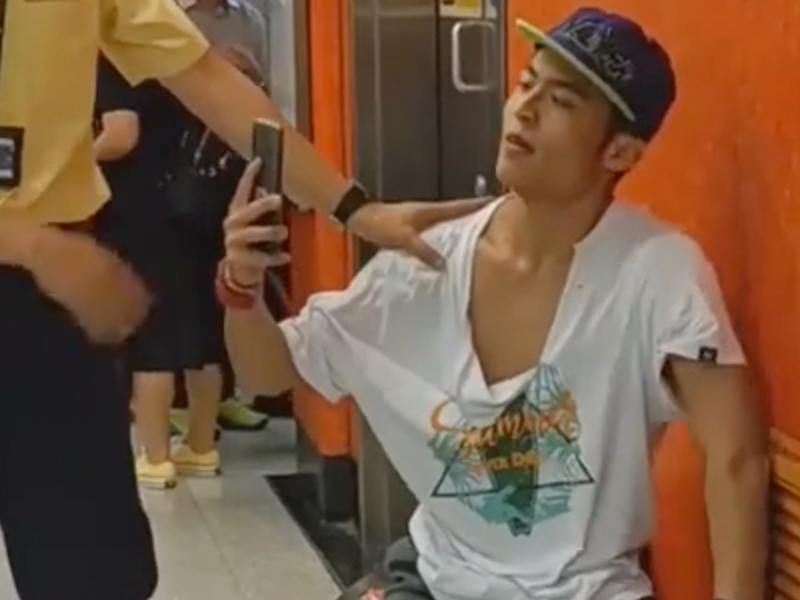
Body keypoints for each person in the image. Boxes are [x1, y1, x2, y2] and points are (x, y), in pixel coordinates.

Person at [222, 8, 768, 600]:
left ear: (620, 152)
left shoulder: (657, 272)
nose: (525, 109)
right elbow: (268, 371)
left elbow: (737, 457)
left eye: (561, 101)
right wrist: (241, 289)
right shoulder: (427, 262)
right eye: (527, 83)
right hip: (436, 580)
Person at [0, 1, 484, 598]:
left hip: (52, 299)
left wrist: (356, 209)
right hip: (51, 258)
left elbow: (206, 79)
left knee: (91, 574)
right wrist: (32, 245)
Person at [94, 55, 227, 488]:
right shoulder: (175, 51)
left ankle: (155, 457)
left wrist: (72, 160)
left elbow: (121, 134)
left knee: (153, 332)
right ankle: (202, 447)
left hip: (142, 210)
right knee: (201, 323)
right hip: (196, 200)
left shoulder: (113, 60)